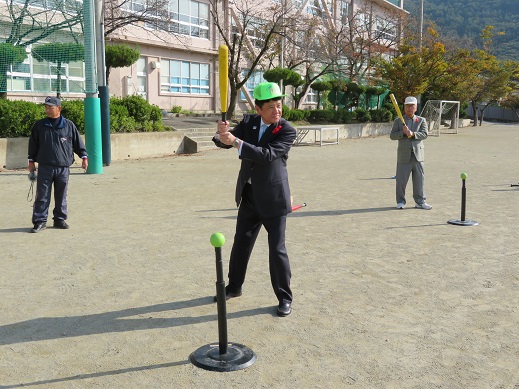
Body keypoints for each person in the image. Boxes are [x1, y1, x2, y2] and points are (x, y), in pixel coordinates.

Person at [212, 82, 296, 317]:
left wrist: (236, 142)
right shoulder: (249, 122)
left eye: (279, 106)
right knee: (241, 243)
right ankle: (234, 287)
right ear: (258, 109)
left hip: (274, 199)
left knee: (276, 250)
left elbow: (266, 155)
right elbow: (226, 142)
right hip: (249, 196)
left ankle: (284, 297)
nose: (277, 111)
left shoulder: (287, 130)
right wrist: (222, 135)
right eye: (270, 107)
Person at [28, 96, 88, 233]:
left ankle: (59, 219)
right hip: (45, 167)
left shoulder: (69, 125)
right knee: (42, 196)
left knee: (61, 195)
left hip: (63, 167)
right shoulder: (39, 126)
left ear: (59, 108)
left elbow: (78, 144)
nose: (47, 110)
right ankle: (39, 221)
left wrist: (84, 157)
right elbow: (33, 145)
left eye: (51, 107)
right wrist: (31, 161)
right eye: (46, 107)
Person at [390, 96, 431, 210]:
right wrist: (402, 133)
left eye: (412, 106)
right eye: (407, 106)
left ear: (416, 108)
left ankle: (420, 202)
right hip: (403, 156)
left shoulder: (421, 120)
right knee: (401, 181)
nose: (410, 108)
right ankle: (400, 201)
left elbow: (425, 134)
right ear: (404, 108)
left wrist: (412, 134)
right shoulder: (398, 121)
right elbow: (392, 136)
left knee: (419, 180)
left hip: (418, 155)